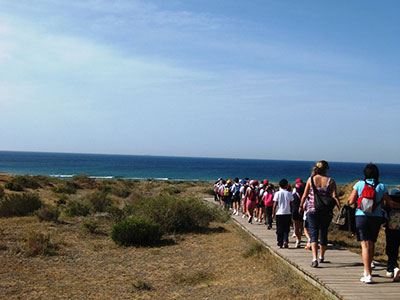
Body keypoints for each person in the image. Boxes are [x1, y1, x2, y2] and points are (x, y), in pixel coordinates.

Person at [348, 163, 390, 283]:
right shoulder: (381, 186)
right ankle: (368, 268)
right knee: (371, 244)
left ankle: (368, 274)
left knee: (364, 245)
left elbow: (351, 201)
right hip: (376, 218)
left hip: (362, 217)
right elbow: (389, 203)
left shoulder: (360, 184)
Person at [299, 160, 340, 267]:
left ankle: (314, 258)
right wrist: (340, 208)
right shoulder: (331, 181)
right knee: (323, 233)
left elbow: (304, 195)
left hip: (312, 209)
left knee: (313, 233)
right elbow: (335, 196)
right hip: (325, 211)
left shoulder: (311, 179)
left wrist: (301, 205)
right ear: (326, 169)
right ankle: (322, 256)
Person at [383, 188, 400, 281]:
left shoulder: (388, 208)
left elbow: (384, 219)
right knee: (396, 249)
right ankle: (395, 266)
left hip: (391, 231)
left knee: (390, 250)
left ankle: (391, 268)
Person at [272, 179, 294, 248]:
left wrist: (273, 212)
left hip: (279, 213)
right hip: (287, 213)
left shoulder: (277, 193)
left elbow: (275, 204)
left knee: (279, 229)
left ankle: (280, 243)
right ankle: (285, 241)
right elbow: (292, 203)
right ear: (286, 185)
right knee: (286, 229)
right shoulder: (289, 193)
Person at [292, 181, 305, 248]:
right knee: (301, 226)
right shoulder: (304, 196)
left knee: (296, 226)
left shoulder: (294, 195)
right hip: (302, 212)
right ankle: (299, 238)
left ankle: (298, 240)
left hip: (295, 211)